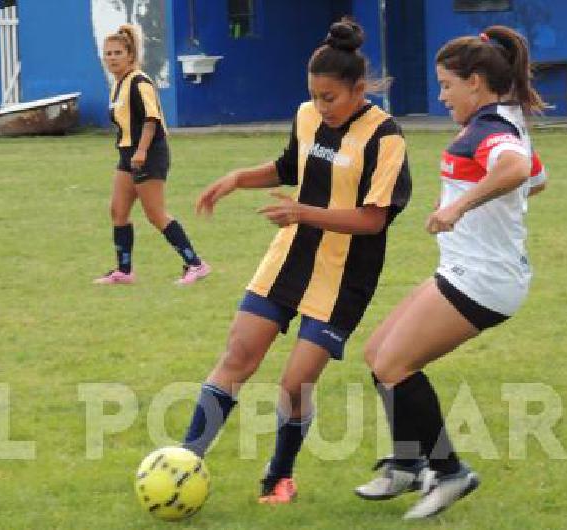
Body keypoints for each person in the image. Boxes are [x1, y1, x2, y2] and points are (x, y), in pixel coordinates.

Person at [179, 18, 412, 504]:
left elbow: (373, 219)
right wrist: (238, 178)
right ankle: (182, 464)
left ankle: (280, 476)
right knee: (237, 357)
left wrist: (302, 211)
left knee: (294, 382)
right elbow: (291, 166)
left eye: (330, 97)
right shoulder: (307, 115)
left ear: (359, 90)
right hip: (289, 259)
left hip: (345, 275)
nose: (320, 106)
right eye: (314, 95)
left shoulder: (385, 137)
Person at [353, 25, 548, 519]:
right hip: (468, 269)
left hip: (483, 280)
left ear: (476, 81)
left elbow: (517, 171)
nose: (441, 96)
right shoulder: (500, 120)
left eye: (446, 85)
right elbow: (536, 178)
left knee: (395, 366)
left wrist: (458, 208)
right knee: (377, 354)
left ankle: (450, 471)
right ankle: (405, 463)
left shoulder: (492, 130)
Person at [94, 25, 210, 286]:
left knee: (155, 214)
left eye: (117, 53)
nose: (111, 58)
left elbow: (151, 119)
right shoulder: (118, 85)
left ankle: (196, 264)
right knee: (118, 211)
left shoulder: (139, 82)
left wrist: (142, 150)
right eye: (108, 53)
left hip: (147, 154)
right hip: (127, 155)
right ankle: (124, 272)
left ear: (130, 55)